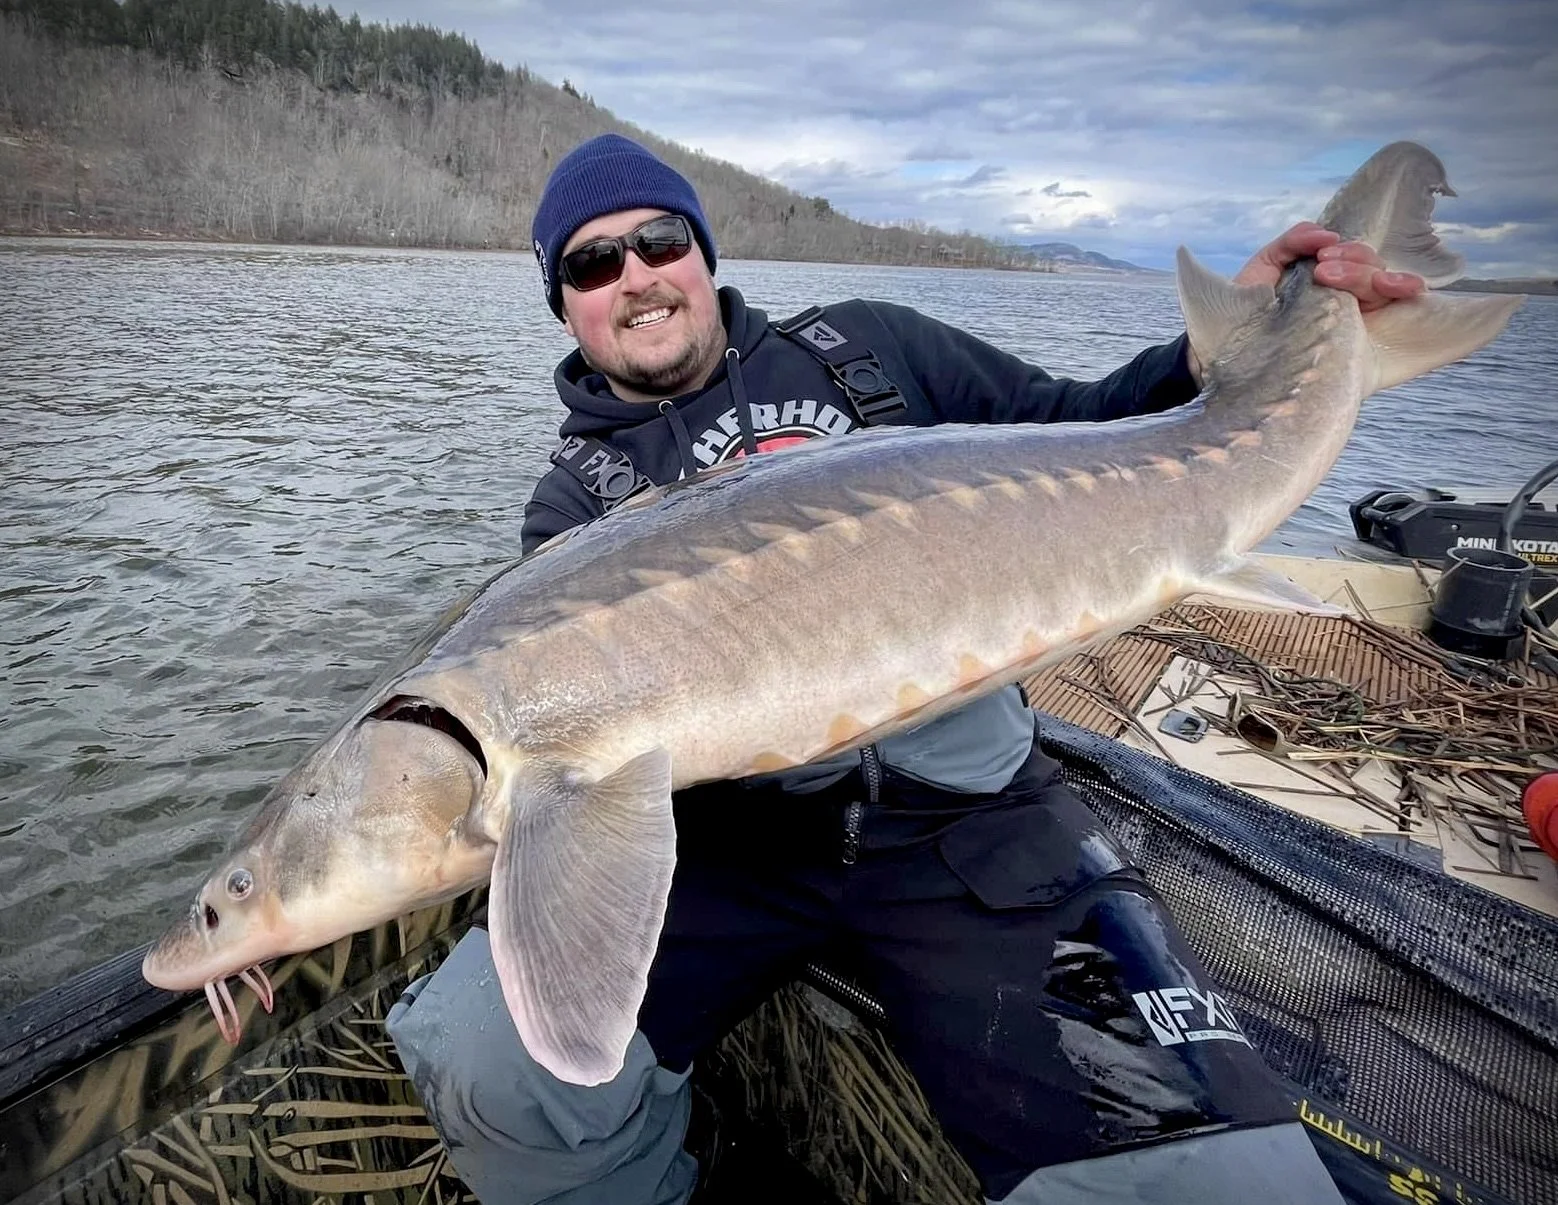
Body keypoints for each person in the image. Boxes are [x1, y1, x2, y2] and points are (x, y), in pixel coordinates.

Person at [387, 133, 1424, 1205]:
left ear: (700, 253)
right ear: (565, 306)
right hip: (735, 846)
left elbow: (1089, 430)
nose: (635, 276)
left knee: (1215, 1174)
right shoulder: (573, 511)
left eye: (657, 240)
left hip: (967, 822)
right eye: (591, 265)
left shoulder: (866, 351)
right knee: (484, 1056)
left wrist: (1220, 358)